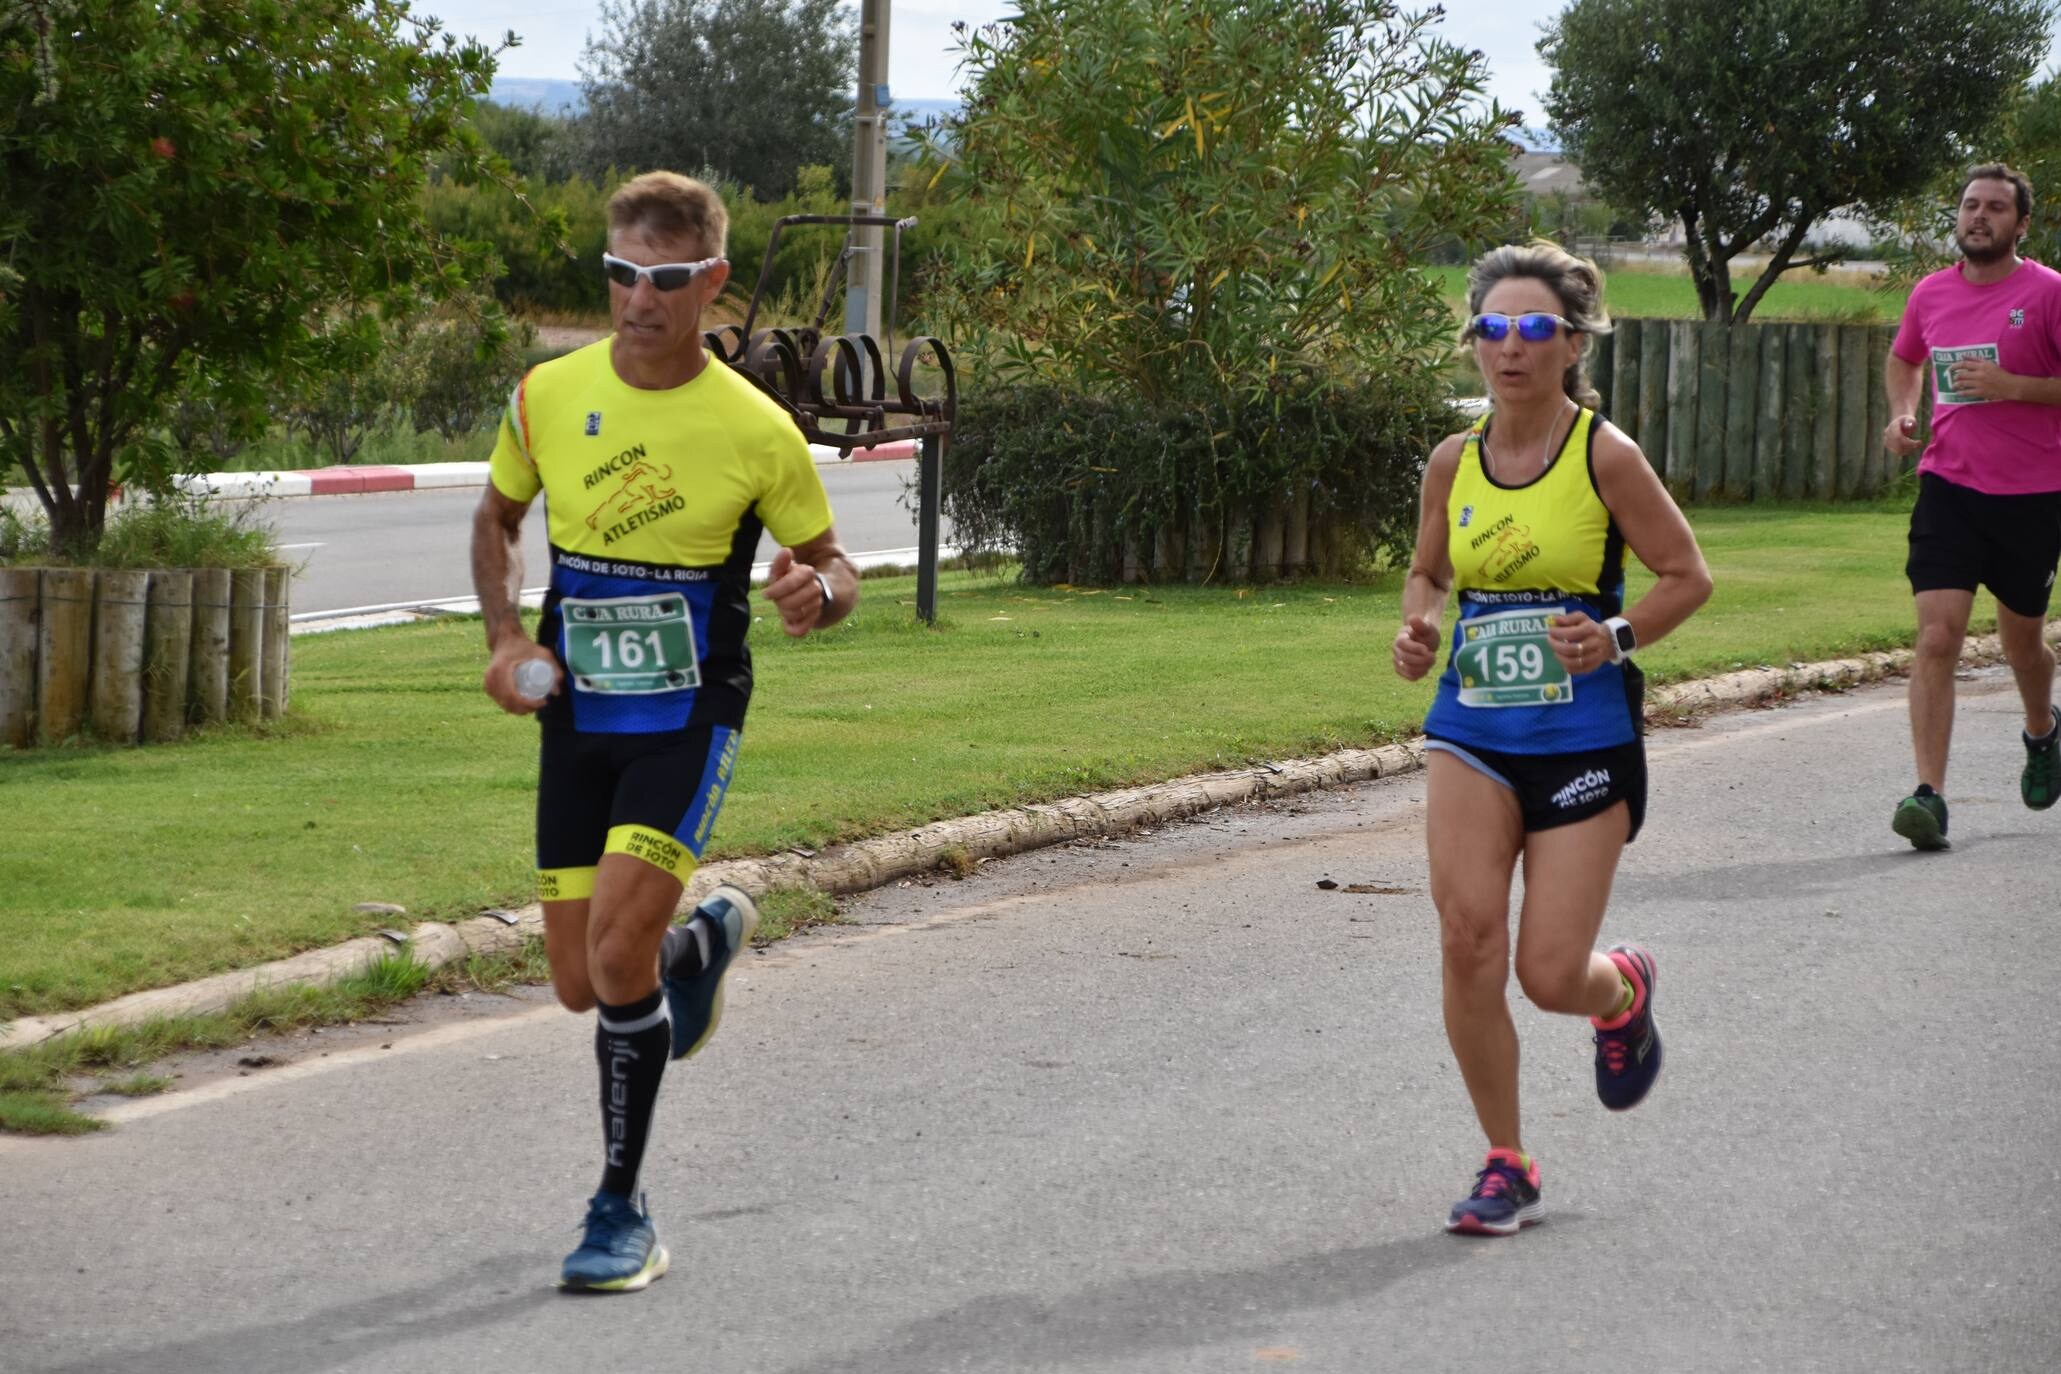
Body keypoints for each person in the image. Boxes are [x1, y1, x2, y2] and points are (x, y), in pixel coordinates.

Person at [470, 171, 858, 1291]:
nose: (640, 298)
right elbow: (497, 516)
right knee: (580, 983)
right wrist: (503, 638)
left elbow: (831, 563)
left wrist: (819, 597)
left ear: (713, 283)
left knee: (611, 955)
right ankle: (699, 949)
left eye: (668, 278)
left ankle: (620, 1208)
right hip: (577, 708)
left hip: (689, 712)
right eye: (622, 273)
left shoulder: (755, 427)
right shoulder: (548, 392)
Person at [1391, 241, 1712, 1236]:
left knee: (1545, 972)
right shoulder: (1454, 460)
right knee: (1467, 935)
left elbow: (1685, 577)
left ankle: (1620, 992)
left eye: (1535, 329)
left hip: (1582, 736)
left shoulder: (1603, 455)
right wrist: (1418, 625)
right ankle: (1507, 1160)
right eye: (1493, 328)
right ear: (1474, 344)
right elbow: (1430, 571)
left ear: (1573, 342)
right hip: (1473, 727)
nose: (1512, 347)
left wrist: (1611, 638)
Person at [1883, 162, 2061, 852]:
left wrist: (2011, 384)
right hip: (1948, 489)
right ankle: (1927, 794)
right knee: (1935, 638)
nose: (1977, 216)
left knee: (2021, 643)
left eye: (1993, 207)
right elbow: (1904, 360)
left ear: (2020, 224)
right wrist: (1901, 414)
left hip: (2032, 496)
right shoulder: (1929, 294)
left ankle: (2041, 731)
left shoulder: (2046, 293)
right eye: (1967, 206)